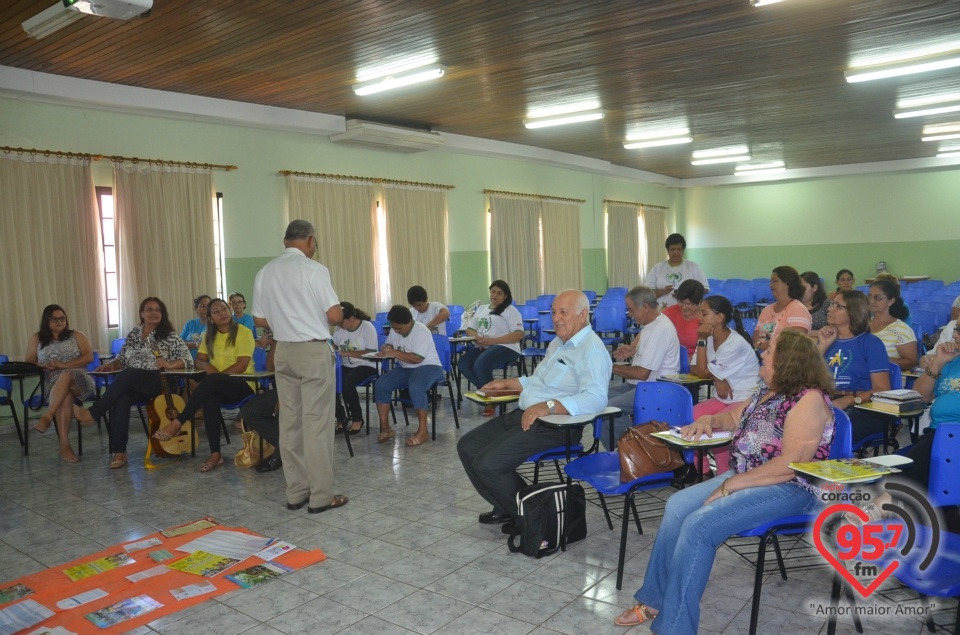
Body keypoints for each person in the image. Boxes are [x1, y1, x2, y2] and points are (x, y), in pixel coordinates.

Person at [614, 329, 835, 631]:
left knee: (699, 525)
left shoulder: (808, 400)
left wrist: (729, 485)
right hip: (751, 476)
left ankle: (675, 627)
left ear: (787, 362)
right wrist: (708, 420)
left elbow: (791, 465)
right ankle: (653, 599)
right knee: (678, 505)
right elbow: (732, 418)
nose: (762, 353)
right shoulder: (767, 391)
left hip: (791, 488)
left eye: (769, 351)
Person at [458, 290, 611, 533]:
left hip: (557, 426)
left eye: (563, 312)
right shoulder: (557, 343)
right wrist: (507, 383)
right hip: (530, 415)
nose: (556, 318)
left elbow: (596, 398)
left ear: (583, 316)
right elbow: (538, 381)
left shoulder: (591, 350)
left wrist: (549, 406)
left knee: (488, 464)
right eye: (553, 312)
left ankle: (532, 516)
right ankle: (507, 507)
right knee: (467, 446)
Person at [252, 219, 347, 514]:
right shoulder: (313, 270)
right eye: (315, 243)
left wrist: (286, 320)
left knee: (290, 424)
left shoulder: (264, 272)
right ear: (309, 240)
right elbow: (333, 316)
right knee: (317, 425)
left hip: (284, 353)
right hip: (312, 351)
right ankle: (321, 497)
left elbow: (259, 321)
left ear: (284, 242)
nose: (314, 248)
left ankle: (296, 493)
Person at [73, 297, 192, 469]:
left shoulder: (169, 335)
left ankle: (94, 413)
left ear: (163, 314)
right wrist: (110, 364)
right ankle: (120, 451)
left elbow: (187, 360)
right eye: (149, 309)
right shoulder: (134, 334)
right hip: (135, 383)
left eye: (158, 310)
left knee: (129, 374)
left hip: (160, 381)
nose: (154, 313)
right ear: (142, 314)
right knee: (122, 399)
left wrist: (169, 364)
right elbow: (121, 359)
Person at [152, 298, 256, 472]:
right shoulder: (208, 334)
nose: (222, 313)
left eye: (224, 309)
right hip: (218, 386)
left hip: (243, 385)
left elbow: (242, 365)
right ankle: (216, 454)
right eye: (216, 311)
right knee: (210, 399)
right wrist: (207, 366)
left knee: (212, 382)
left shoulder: (244, 332)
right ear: (210, 318)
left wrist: (215, 379)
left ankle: (178, 422)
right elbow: (199, 360)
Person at [689, 295, 761, 474]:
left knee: (716, 428)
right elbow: (694, 367)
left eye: (704, 314)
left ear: (719, 317)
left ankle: (723, 476)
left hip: (744, 398)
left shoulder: (734, 343)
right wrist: (718, 378)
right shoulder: (706, 337)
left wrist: (712, 373)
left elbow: (703, 371)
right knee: (689, 418)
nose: (699, 318)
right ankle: (703, 472)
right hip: (723, 398)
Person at [604, 286, 680, 447]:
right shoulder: (652, 324)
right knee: (596, 400)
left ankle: (634, 450)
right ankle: (623, 451)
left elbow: (641, 373)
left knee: (608, 409)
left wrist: (608, 367)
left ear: (645, 307)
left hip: (657, 389)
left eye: (631, 310)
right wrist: (634, 349)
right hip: (643, 385)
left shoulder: (658, 330)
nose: (629, 314)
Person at [816, 290, 891, 444]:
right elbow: (805, 378)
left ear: (854, 312)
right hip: (828, 400)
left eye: (838, 306)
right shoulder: (827, 340)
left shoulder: (871, 343)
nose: (830, 309)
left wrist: (849, 400)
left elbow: (882, 389)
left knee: (825, 430)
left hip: (863, 407)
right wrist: (822, 346)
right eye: (832, 304)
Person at [25, 304, 95, 463]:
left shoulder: (77, 335)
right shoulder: (37, 338)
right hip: (53, 381)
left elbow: (89, 357)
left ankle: (48, 415)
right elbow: (29, 362)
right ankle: (64, 444)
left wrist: (64, 366)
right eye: (55, 319)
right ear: (46, 321)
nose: (59, 321)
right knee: (64, 398)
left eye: (62, 318)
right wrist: (43, 365)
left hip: (80, 378)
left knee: (65, 375)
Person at [374, 305, 445, 447]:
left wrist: (393, 353)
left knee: (417, 386)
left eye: (399, 328)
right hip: (406, 368)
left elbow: (417, 359)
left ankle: (423, 432)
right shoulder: (396, 330)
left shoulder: (421, 330)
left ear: (409, 323)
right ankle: (386, 428)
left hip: (429, 367)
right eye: (394, 328)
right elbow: (389, 344)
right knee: (381, 384)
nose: (396, 331)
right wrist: (386, 347)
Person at [459, 280, 524, 416]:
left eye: (499, 293)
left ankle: (489, 399)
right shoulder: (482, 309)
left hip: (506, 347)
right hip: (484, 346)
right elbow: (470, 329)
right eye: (493, 292)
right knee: (463, 363)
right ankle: (492, 393)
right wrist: (478, 338)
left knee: (480, 365)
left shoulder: (510, 311)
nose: (495, 295)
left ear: (505, 296)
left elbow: (518, 334)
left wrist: (493, 341)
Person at [332, 302, 379, 435]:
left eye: (342, 322)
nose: (339, 325)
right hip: (347, 365)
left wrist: (346, 353)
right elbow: (334, 345)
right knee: (329, 381)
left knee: (347, 382)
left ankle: (357, 418)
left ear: (351, 318)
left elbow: (371, 353)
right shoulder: (340, 329)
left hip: (367, 365)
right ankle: (341, 417)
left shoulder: (367, 327)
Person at [240, 331, 281, 473]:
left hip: (305, 389)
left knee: (284, 412)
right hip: (282, 389)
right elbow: (270, 365)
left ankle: (279, 455)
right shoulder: (282, 338)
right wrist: (277, 341)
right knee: (249, 411)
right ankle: (288, 447)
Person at [754, 266, 812, 351]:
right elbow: (755, 338)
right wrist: (764, 345)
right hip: (763, 358)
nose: (770, 285)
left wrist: (763, 346)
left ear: (787, 283)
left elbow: (794, 344)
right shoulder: (767, 309)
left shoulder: (798, 310)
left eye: (774, 281)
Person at [644, 233, 708, 310]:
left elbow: (704, 289)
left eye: (679, 249)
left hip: (687, 311)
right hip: (662, 311)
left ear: (683, 250)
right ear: (668, 251)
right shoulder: (657, 268)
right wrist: (663, 291)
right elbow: (647, 293)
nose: (676, 253)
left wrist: (685, 296)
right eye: (672, 249)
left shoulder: (693, 266)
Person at [868, 278, 918, 371]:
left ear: (890, 301)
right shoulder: (863, 325)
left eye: (878, 298)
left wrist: (880, 359)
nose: (871, 301)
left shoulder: (900, 329)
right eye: (869, 296)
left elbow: (911, 363)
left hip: (888, 379)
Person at [662, 280, 705, 359]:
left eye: (688, 304)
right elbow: (653, 324)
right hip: (672, 359)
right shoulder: (672, 311)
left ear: (700, 302)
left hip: (696, 362)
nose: (684, 307)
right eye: (681, 302)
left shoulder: (705, 318)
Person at [181, 295, 210, 359]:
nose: (206, 309)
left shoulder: (215, 325)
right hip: (188, 363)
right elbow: (180, 343)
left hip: (207, 364)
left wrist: (189, 344)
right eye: (202, 306)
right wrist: (195, 344)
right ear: (195, 308)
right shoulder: (190, 323)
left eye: (208, 306)